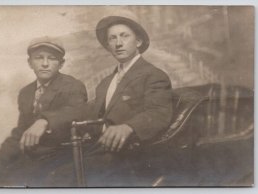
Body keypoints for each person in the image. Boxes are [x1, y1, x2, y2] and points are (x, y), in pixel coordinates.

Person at [49, 11, 173, 187]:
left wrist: (129, 126)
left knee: (60, 178)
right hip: (100, 151)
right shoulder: (107, 82)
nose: (118, 43)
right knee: (46, 165)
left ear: (138, 41)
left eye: (124, 36)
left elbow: (159, 112)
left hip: (131, 157)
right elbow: (87, 111)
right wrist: (45, 121)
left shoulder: (153, 75)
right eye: (112, 38)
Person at [0, 36, 87, 187]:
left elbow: (77, 111)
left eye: (52, 58)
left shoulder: (72, 86)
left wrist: (44, 121)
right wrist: (0, 158)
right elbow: (21, 131)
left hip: (63, 156)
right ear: (30, 63)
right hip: (34, 158)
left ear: (61, 63)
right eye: (39, 58)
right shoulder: (26, 92)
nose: (45, 64)